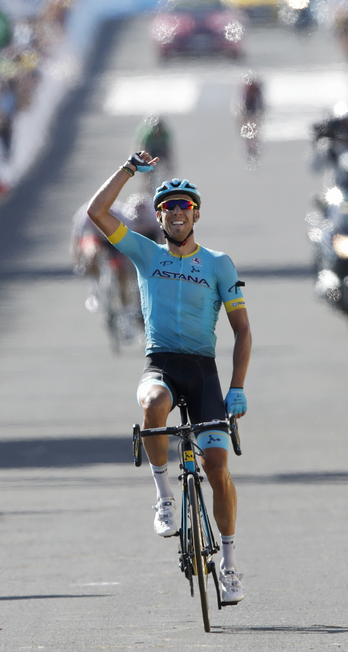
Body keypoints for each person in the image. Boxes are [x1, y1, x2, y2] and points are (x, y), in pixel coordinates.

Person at [86, 151, 252, 604]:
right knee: (152, 402)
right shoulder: (145, 253)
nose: (177, 213)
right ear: (158, 216)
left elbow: (242, 331)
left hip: (204, 374)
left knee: (218, 469)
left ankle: (231, 566)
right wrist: (126, 169)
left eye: (184, 206)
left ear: (195, 214)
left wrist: (237, 387)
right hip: (161, 363)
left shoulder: (219, 264)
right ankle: (163, 496)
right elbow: (96, 213)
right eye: (168, 207)